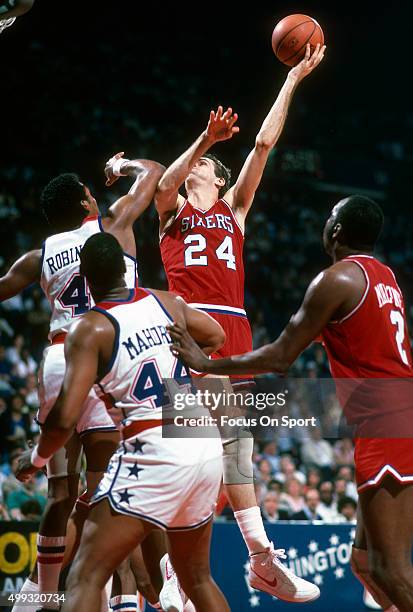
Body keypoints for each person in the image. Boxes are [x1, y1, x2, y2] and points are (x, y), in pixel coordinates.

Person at [168, 195, 412, 611]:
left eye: (329, 215)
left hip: (387, 423)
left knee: (389, 569)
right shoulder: (385, 277)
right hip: (395, 415)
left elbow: (281, 357)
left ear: (335, 231)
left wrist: (207, 361)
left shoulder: (335, 280)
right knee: (365, 563)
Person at [154, 43, 325, 604]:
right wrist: (202, 139)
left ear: (215, 176)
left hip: (234, 335)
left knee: (232, 454)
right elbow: (159, 184)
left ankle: (247, 564)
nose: (191, 166)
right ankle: (236, 564)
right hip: (189, 336)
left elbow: (264, 143)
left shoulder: (234, 209)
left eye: (199, 163)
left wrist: (294, 78)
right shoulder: (175, 211)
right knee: (209, 452)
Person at [16, 232, 228, 612]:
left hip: (155, 446)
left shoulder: (91, 327)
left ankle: (37, 599)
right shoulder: (166, 303)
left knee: (86, 573)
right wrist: (194, 361)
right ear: (124, 270)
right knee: (197, 578)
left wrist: (34, 459)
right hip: (200, 437)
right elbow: (216, 334)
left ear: (86, 278)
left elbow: (64, 418)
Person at [0, 154, 164, 608]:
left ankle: (39, 596)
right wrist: (123, 166)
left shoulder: (41, 254)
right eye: (91, 191)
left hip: (57, 357)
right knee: (108, 489)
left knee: (60, 493)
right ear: (84, 202)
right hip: (103, 351)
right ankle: (123, 600)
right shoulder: (112, 225)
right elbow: (154, 173)